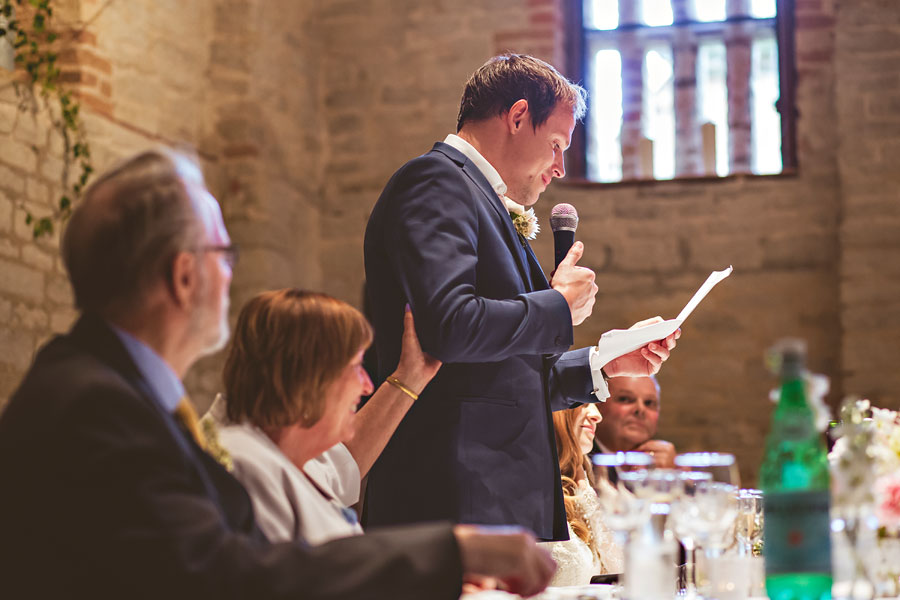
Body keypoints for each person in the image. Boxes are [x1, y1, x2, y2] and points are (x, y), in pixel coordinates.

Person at [0, 148, 556, 599]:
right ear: (184, 276)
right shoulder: (95, 408)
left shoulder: (108, 388)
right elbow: (228, 576)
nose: (232, 272)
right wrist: (452, 551)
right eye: (226, 252)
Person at [364, 53, 679, 540]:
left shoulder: (480, 199)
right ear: (516, 117)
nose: (559, 167)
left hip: (494, 501)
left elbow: (504, 378)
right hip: (451, 498)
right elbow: (447, 327)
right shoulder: (436, 181)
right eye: (556, 144)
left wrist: (606, 362)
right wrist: (557, 305)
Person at [205, 289, 440, 545]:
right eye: (355, 367)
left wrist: (412, 375)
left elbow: (342, 463)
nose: (366, 385)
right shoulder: (243, 465)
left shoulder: (281, 444)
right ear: (309, 379)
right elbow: (295, 579)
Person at [542, 404, 624, 586]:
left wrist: (587, 496)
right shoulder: (527, 487)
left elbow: (622, 570)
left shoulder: (580, 484)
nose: (597, 415)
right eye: (584, 402)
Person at [594, 376, 676, 468]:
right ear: (597, 405)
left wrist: (671, 476)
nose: (640, 409)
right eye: (625, 399)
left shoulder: (665, 466)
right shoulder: (579, 463)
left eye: (649, 403)